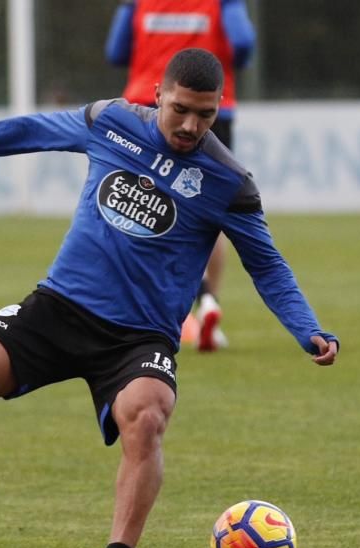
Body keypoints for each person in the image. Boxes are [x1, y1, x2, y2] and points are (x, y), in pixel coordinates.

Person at [0, 48, 338, 548]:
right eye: (182, 109)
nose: (192, 125)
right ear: (158, 94)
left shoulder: (229, 183)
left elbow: (267, 266)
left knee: (146, 416)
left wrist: (306, 327)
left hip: (139, 338)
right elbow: (29, 131)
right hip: (60, 308)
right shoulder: (111, 121)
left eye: (207, 115)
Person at [105, 0, 256, 350]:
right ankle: (208, 306)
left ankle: (140, 313)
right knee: (210, 213)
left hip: (146, 104)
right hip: (212, 108)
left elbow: (115, 50)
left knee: (136, 205)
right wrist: (231, 67)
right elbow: (243, 41)